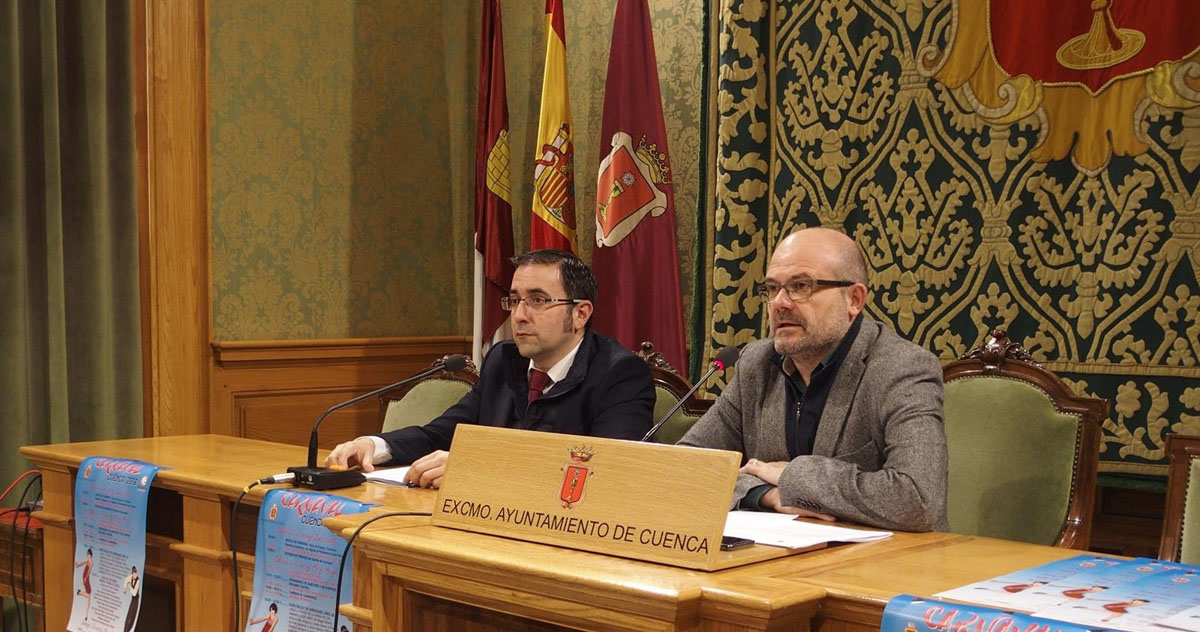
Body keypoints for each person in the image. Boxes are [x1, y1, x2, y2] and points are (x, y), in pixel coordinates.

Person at [679, 227, 947, 531]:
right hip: (773, 563)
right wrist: (764, 494)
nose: (780, 303)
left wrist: (791, 476)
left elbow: (917, 500)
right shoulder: (756, 365)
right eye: (771, 289)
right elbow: (685, 467)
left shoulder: (900, 368)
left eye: (801, 286)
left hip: (878, 567)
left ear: (854, 299)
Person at [325, 249, 656, 488]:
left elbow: (607, 470)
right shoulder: (503, 359)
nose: (520, 315)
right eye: (514, 300)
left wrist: (475, 469)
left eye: (538, 301)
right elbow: (446, 433)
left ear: (581, 314)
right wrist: (375, 445)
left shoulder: (620, 374)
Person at [120, 565, 141, 632]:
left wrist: (129, 587)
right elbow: (126, 581)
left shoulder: (138, 580)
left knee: (132, 621)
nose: (135, 575)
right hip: (132, 601)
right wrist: (125, 587)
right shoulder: (130, 577)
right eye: (133, 574)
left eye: (136, 574)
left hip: (136, 601)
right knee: (128, 619)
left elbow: (134, 592)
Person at [74, 548, 94, 622]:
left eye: (88, 554)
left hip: (86, 577)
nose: (87, 555)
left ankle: (86, 614)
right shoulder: (89, 560)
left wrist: (86, 577)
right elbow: (83, 563)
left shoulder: (90, 560)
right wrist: (78, 564)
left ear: (90, 554)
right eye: (87, 554)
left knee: (89, 595)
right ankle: (80, 593)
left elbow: (89, 570)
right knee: (89, 595)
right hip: (85, 577)